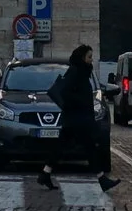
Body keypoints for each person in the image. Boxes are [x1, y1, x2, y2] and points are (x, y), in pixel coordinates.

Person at [43, 44, 117, 192]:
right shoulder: (76, 72)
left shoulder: (82, 71)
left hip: (76, 118)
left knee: (61, 148)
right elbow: (66, 93)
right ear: (82, 57)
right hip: (77, 119)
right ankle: (102, 179)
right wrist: (81, 103)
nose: (91, 60)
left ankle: (45, 173)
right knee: (90, 149)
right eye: (89, 57)